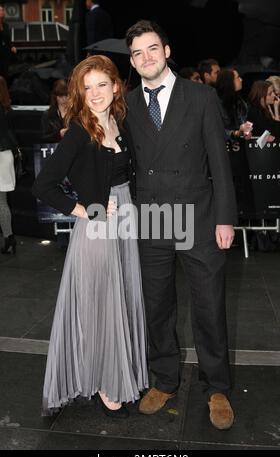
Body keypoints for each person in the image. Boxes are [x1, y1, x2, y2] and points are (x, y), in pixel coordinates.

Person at [125, 20, 237, 430]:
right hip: (152, 219)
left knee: (208, 306)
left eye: (152, 48)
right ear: (133, 61)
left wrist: (225, 218)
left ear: (167, 51)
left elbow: (220, 165)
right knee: (157, 307)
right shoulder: (130, 104)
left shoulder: (201, 96)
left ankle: (218, 386)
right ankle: (166, 378)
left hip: (199, 216)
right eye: (137, 53)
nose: (146, 58)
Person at [33, 55, 148, 418]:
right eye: (87, 87)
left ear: (116, 86)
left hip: (126, 220)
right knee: (100, 306)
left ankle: (115, 375)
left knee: (122, 299)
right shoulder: (81, 130)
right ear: (79, 94)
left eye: (102, 84)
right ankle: (102, 384)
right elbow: (43, 185)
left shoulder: (118, 121)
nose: (95, 93)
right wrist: (86, 209)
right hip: (98, 227)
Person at [0, 75, 17, 254]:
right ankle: (9, 237)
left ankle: (9, 237)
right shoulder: (6, 108)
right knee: (2, 201)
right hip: (6, 155)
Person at [0, 5, 16, 79]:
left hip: (6, 53)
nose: (2, 12)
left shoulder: (6, 25)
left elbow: (8, 39)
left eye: (3, 10)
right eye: (0, 10)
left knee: (5, 75)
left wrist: (12, 46)